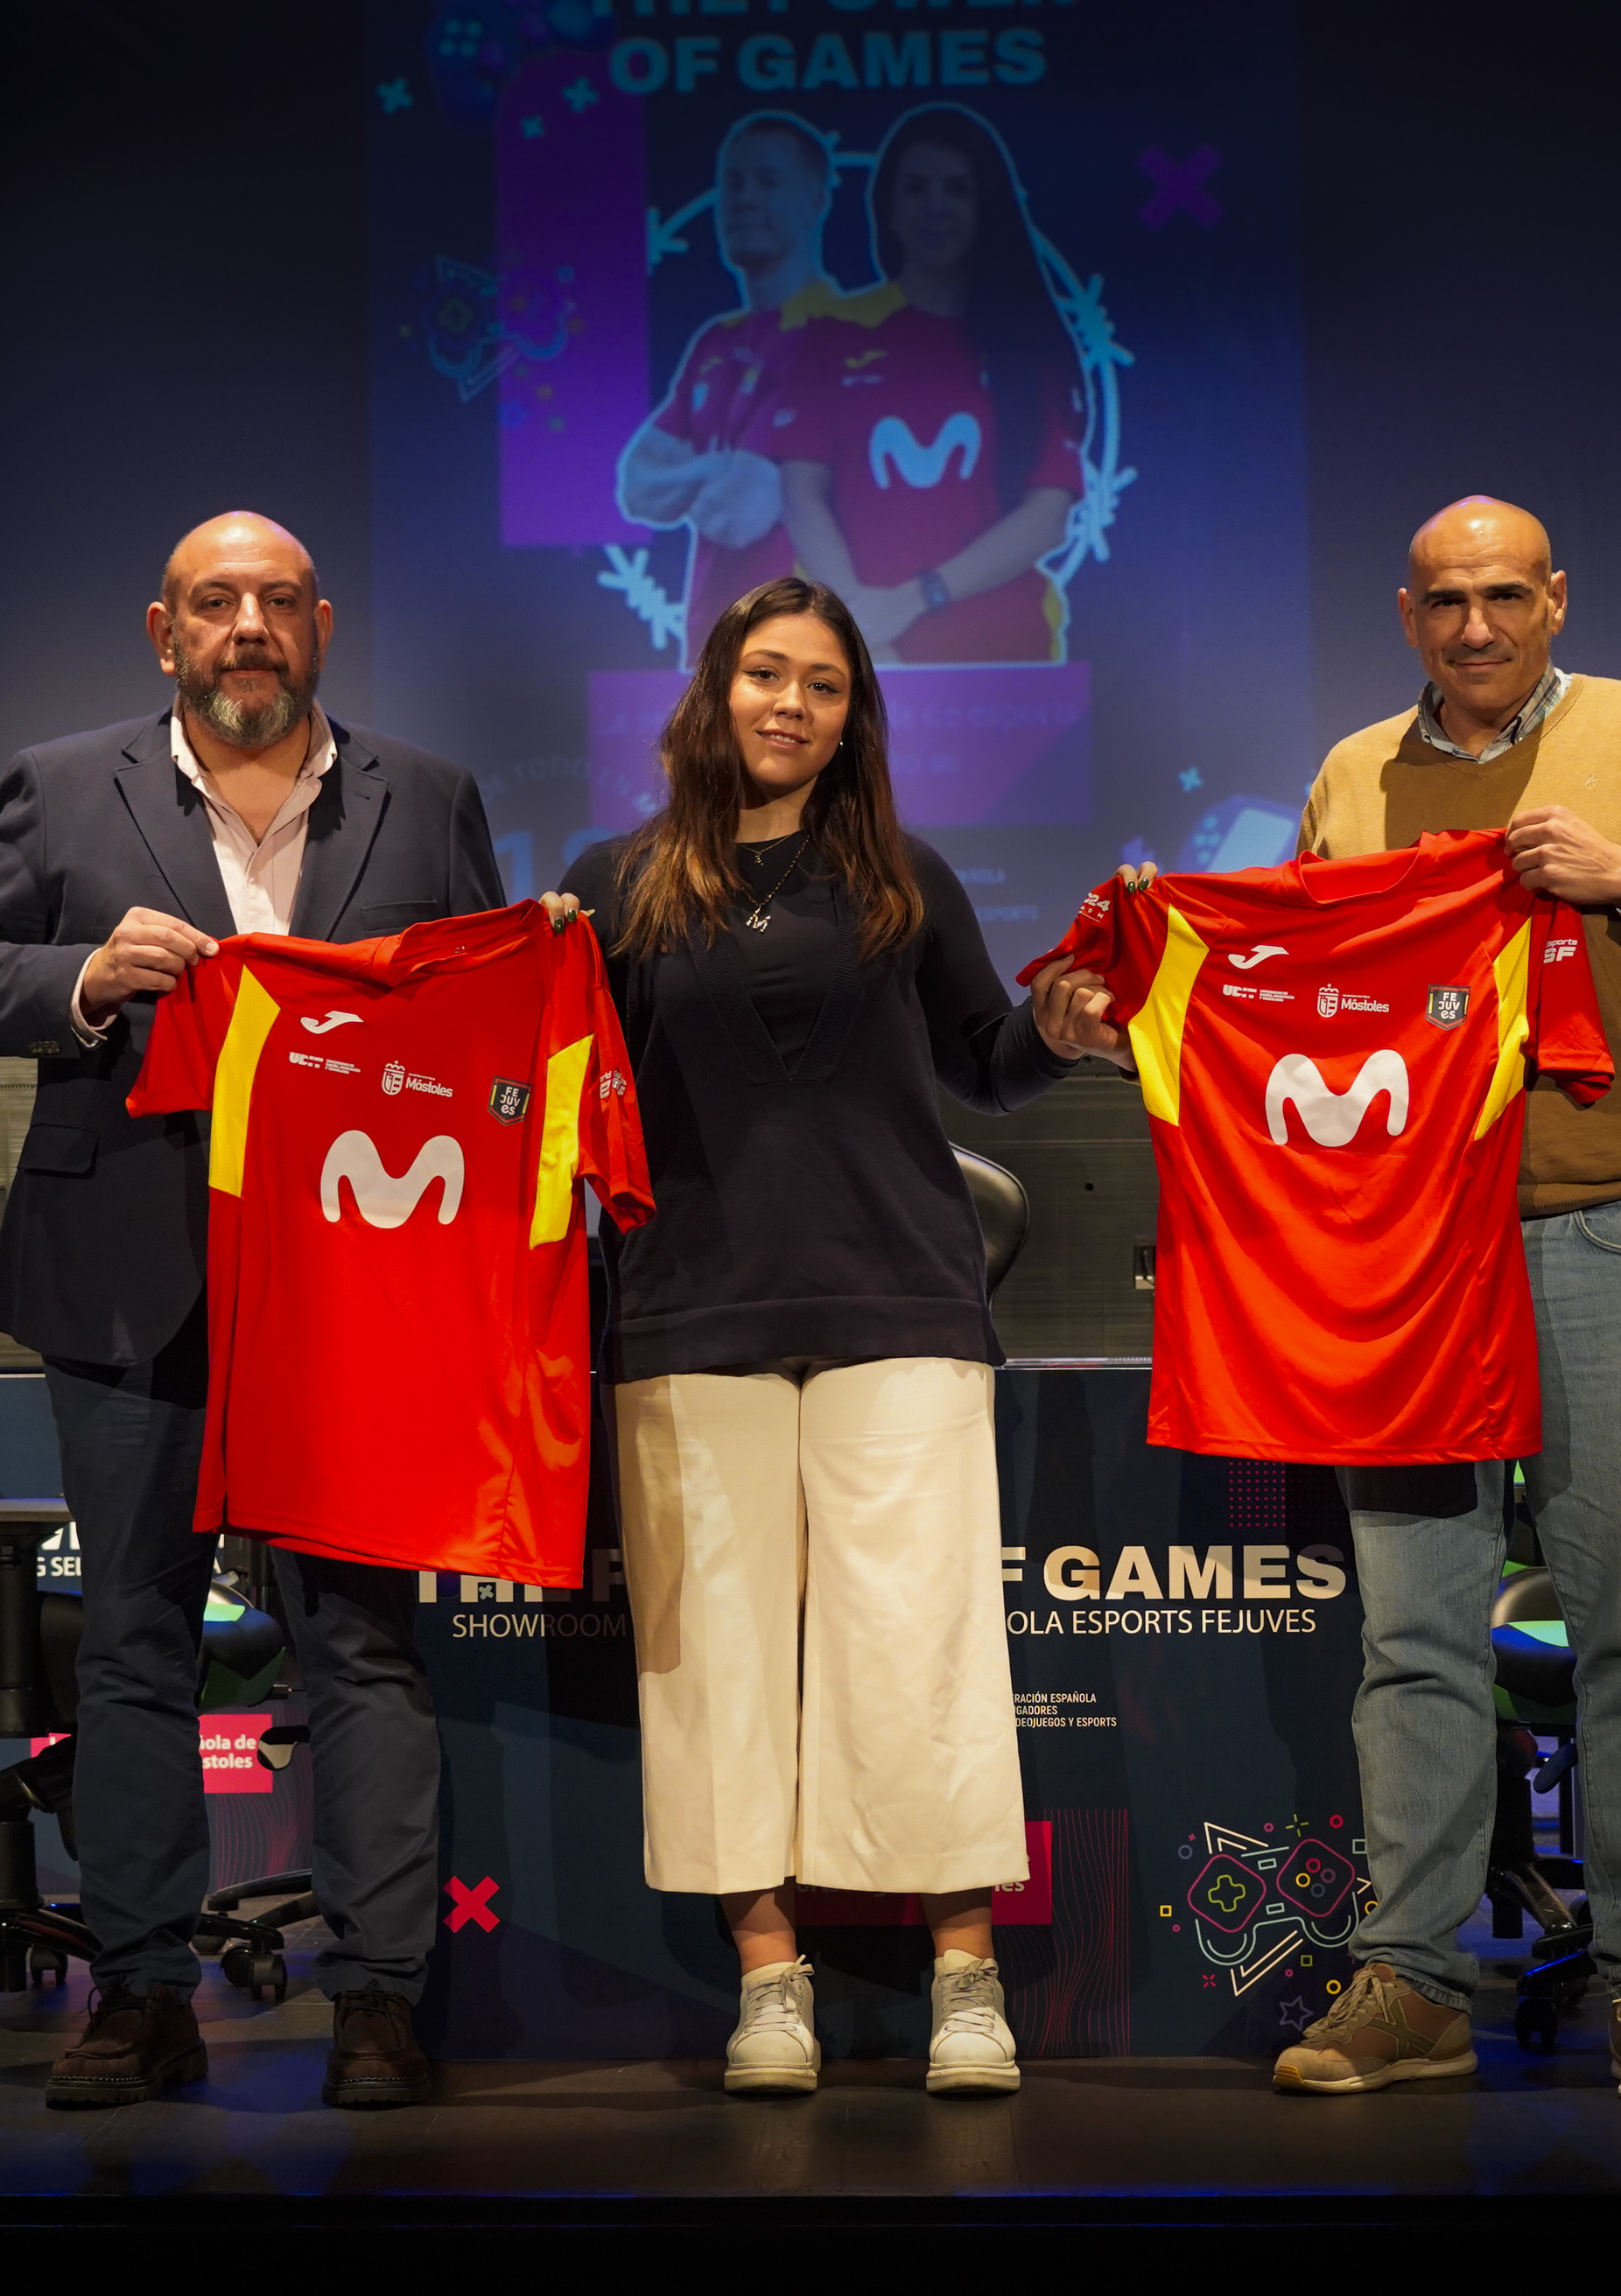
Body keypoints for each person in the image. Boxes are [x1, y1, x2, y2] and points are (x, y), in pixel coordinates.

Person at [0, 511, 505, 2113]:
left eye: (277, 601)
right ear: (163, 631)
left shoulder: (429, 797)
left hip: (355, 1294)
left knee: (361, 1649)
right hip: (127, 1277)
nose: (249, 625)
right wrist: (83, 977)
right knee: (135, 1645)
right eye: (216, 601)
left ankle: (378, 1999)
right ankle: (141, 1993)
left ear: (323, 626)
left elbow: (483, 1024)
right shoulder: (60, 785)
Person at [1260, 496, 1621, 2107]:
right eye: (1446, 600)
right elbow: (1308, 996)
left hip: (1608, 1229)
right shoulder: (1353, 775)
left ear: (1557, 598)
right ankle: (1415, 1979)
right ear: (1406, 614)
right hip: (1405, 1255)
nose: (1477, 626)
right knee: (1413, 1633)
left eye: (1506, 594)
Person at [553, 576, 1123, 2096]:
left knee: (919, 1650)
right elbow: (552, 1094)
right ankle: (769, 1978)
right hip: (689, 1310)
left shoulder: (902, 875)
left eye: (822, 683)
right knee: (716, 1666)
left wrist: (1060, 1031)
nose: (791, 704)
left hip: (898, 1303)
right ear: (714, 691)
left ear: (854, 713)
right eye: (766, 674)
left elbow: (986, 1059)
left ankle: (965, 1977)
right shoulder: (612, 886)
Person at [768, 105, 1084, 665]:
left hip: (1007, 656)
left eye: (958, 189)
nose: (936, 206)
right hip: (866, 657)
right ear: (888, 208)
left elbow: (1047, 516)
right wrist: (859, 629)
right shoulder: (832, 336)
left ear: (986, 207)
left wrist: (916, 599)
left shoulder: (1027, 343)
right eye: (916, 189)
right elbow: (800, 494)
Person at [615, 112, 842, 659]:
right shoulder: (715, 343)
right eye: (733, 183)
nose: (744, 200)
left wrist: (690, 477)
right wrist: (716, 469)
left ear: (815, 201)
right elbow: (637, 486)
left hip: (799, 645)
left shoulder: (838, 335)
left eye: (768, 181)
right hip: (709, 647)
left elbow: (741, 514)